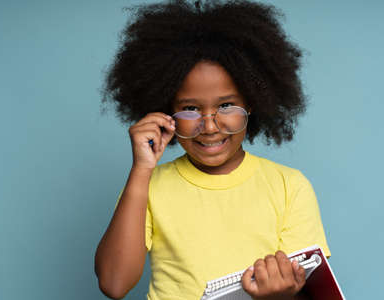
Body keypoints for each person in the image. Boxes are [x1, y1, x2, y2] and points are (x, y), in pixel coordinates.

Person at [95, 1, 330, 299]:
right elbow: (114, 284)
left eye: (226, 105)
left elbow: (310, 290)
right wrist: (141, 169)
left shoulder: (289, 187)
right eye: (190, 108)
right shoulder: (147, 186)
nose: (209, 126)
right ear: (167, 112)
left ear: (252, 102)